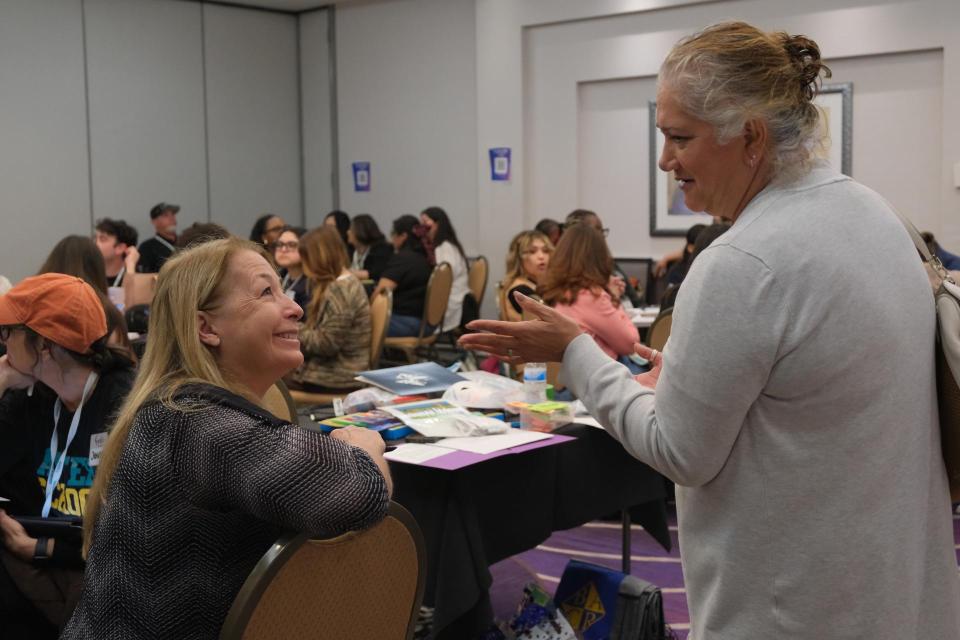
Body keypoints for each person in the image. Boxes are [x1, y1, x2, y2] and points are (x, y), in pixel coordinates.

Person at [461, 21, 960, 639]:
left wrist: (575, 351)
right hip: (891, 584)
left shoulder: (743, 262)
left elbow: (680, 452)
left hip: (790, 606)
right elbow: (813, 389)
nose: (666, 160)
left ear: (749, 137)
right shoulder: (873, 212)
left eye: (679, 138)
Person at [61, 237, 391, 639]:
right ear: (206, 327)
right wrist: (364, 444)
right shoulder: (203, 428)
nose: (295, 307)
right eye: (265, 292)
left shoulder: (173, 410)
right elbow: (359, 493)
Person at [0, 274, 136, 637]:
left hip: (106, 574)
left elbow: (133, 538)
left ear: (44, 345)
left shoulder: (127, 406)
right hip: (44, 564)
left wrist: (42, 549)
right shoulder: (33, 400)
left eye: (8, 333)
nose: (3, 345)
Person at [288, 227, 371, 393]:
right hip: (335, 371)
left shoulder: (340, 290)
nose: (304, 268)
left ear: (318, 258)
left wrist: (291, 325)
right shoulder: (342, 284)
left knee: (265, 379)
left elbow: (326, 345)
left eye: (306, 261)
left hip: (336, 377)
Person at [539, 224, 637, 362]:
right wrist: (613, 297)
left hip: (568, 375)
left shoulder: (556, 292)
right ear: (599, 259)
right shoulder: (590, 296)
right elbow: (631, 344)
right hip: (601, 377)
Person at [37, 237, 135, 359]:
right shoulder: (104, 313)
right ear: (97, 269)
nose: (98, 242)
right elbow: (125, 363)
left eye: (103, 238)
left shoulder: (35, 304)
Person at [563, 209, 644, 307]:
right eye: (597, 230)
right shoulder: (570, 272)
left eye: (602, 231)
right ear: (578, 235)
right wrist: (613, 295)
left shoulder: (609, 263)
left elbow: (636, 301)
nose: (602, 236)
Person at [372, 215, 433, 337]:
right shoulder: (426, 256)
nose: (391, 238)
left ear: (403, 236)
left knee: (354, 324)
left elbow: (381, 294)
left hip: (408, 323)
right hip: (427, 322)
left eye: (393, 233)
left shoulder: (403, 259)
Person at [420, 207, 470, 332]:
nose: (423, 228)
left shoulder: (445, 247)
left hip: (451, 301)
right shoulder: (447, 245)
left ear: (438, 224)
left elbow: (444, 280)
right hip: (454, 297)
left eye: (426, 223)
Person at [499, 230, 553, 323]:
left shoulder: (534, 282)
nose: (541, 256)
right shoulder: (520, 290)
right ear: (518, 258)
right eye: (532, 251)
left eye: (545, 251)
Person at [93, 219, 139, 289]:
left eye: (102, 239)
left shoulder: (136, 275)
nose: (95, 243)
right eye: (95, 238)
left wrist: (130, 265)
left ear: (120, 248)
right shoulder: (88, 273)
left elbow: (133, 298)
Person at [272, 226, 310, 312]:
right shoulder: (276, 277)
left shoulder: (313, 283)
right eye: (280, 244)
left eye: (292, 245)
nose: (283, 249)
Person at [348, 214, 393, 284]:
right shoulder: (350, 250)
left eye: (351, 229)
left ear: (361, 231)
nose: (348, 232)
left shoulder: (382, 249)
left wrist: (348, 273)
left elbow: (376, 273)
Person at [137, 203, 179, 274]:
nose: (171, 218)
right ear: (154, 222)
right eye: (165, 215)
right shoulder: (147, 248)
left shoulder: (186, 241)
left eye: (173, 214)